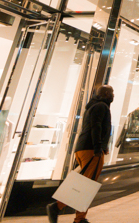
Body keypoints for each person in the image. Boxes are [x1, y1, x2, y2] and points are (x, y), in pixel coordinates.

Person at [48, 85, 113, 223]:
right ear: (106, 93)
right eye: (112, 92)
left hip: (84, 148)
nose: (113, 95)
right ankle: (57, 207)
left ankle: (80, 218)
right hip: (90, 149)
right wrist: (98, 148)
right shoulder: (101, 106)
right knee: (87, 186)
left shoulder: (93, 106)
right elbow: (97, 127)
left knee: (85, 184)